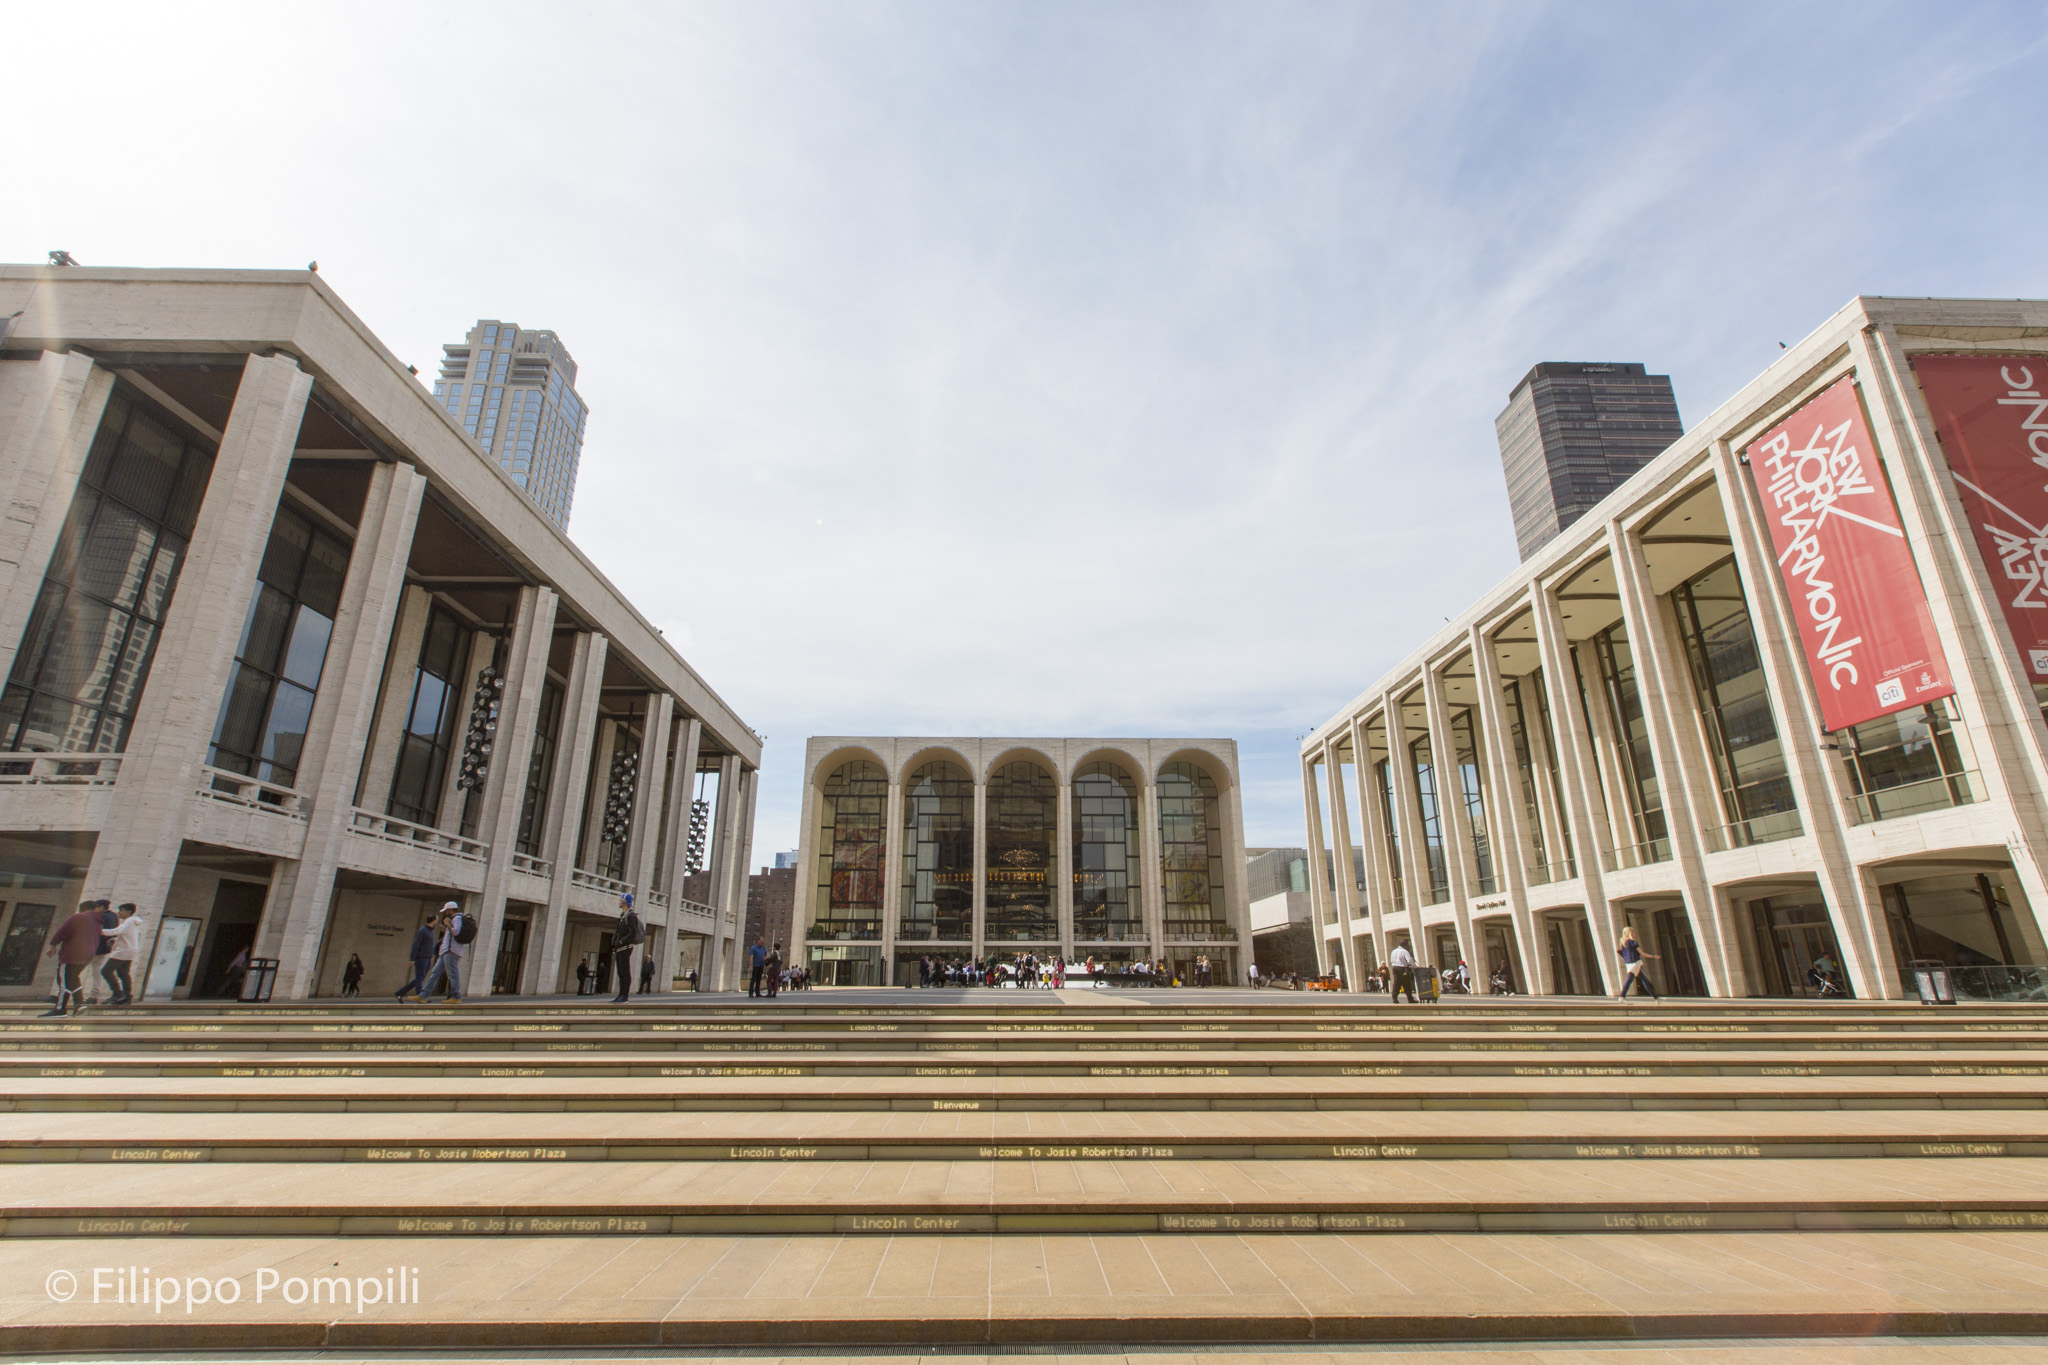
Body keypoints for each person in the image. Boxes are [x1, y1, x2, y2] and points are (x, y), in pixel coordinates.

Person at [41, 900, 105, 1017]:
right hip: (87, 955)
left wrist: (52, 945)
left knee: (63, 982)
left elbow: (62, 931)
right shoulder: (98, 922)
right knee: (72, 979)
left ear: (82, 908)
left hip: (72, 953)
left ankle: (60, 1009)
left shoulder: (79, 917)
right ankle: (79, 1003)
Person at [413, 903, 469, 1003]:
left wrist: (448, 924)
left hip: (451, 950)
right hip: (446, 950)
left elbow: (456, 932)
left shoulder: (457, 918)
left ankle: (456, 996)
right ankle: (423, 995)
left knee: (452, 974)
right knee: (435, 973)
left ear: (451, 910)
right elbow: (453, 934)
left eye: (447, 911)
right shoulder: (455, 919)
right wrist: (445, 929)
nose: (446, 913)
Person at [100, 903, 144, 1006]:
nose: (119, 912)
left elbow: (117, 931)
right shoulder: (133, 922)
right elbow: (128, 936)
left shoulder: (129, 921)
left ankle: (117, 994)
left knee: (106, 971)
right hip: (131, 950)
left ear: (128, 912)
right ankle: (127, 996)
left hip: (123, 951)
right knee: (123, 973)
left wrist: (99, 930)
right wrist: (116, 939)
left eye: (122, 910)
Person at [611, 894, 643, 1003]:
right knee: (620, 972)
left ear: (625, 902)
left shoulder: (631, 916)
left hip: (625, 947)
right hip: (619, 948)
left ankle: (625, 996)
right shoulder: (622, 915)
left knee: (625, 972)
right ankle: (620, 995)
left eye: (620, 900)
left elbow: (632, 932)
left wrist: (621, 941)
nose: (618, 902)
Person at [397, 917, 438, 1002]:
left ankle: (400, 992)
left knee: (420, 978)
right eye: (436, 919)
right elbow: (415, 945)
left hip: (428, 957)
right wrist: (412, 959)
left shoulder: (431, 931)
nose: (437, 921)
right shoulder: (422, 931)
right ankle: (421, 996)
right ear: (434, 920)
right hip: (421, 958)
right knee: (419, 978)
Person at [1617, 925, 1660, 1001]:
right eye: (1633, 932)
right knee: (1630, 979)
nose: (1634, 933)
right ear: (1630, 933)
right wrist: (1654, 956)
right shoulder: (1632, 942)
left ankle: (1656, 998)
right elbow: (1642, 953)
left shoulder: (1623, 943)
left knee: (1644, 980)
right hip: (1635, 962)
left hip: (1629, 963)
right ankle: (1622, 997)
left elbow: (1621, 953)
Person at [1388, 939, 1418, 1004]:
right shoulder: (1404, 951)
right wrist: (1415, 966)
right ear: (1405, 945)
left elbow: (1391, 960)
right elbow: (1409, 960)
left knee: (1397, 983)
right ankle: (1410, 999)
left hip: (1394, 968)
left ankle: (1394, 997)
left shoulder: (1394, 951)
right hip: (1402, 968)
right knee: (1406, 984)